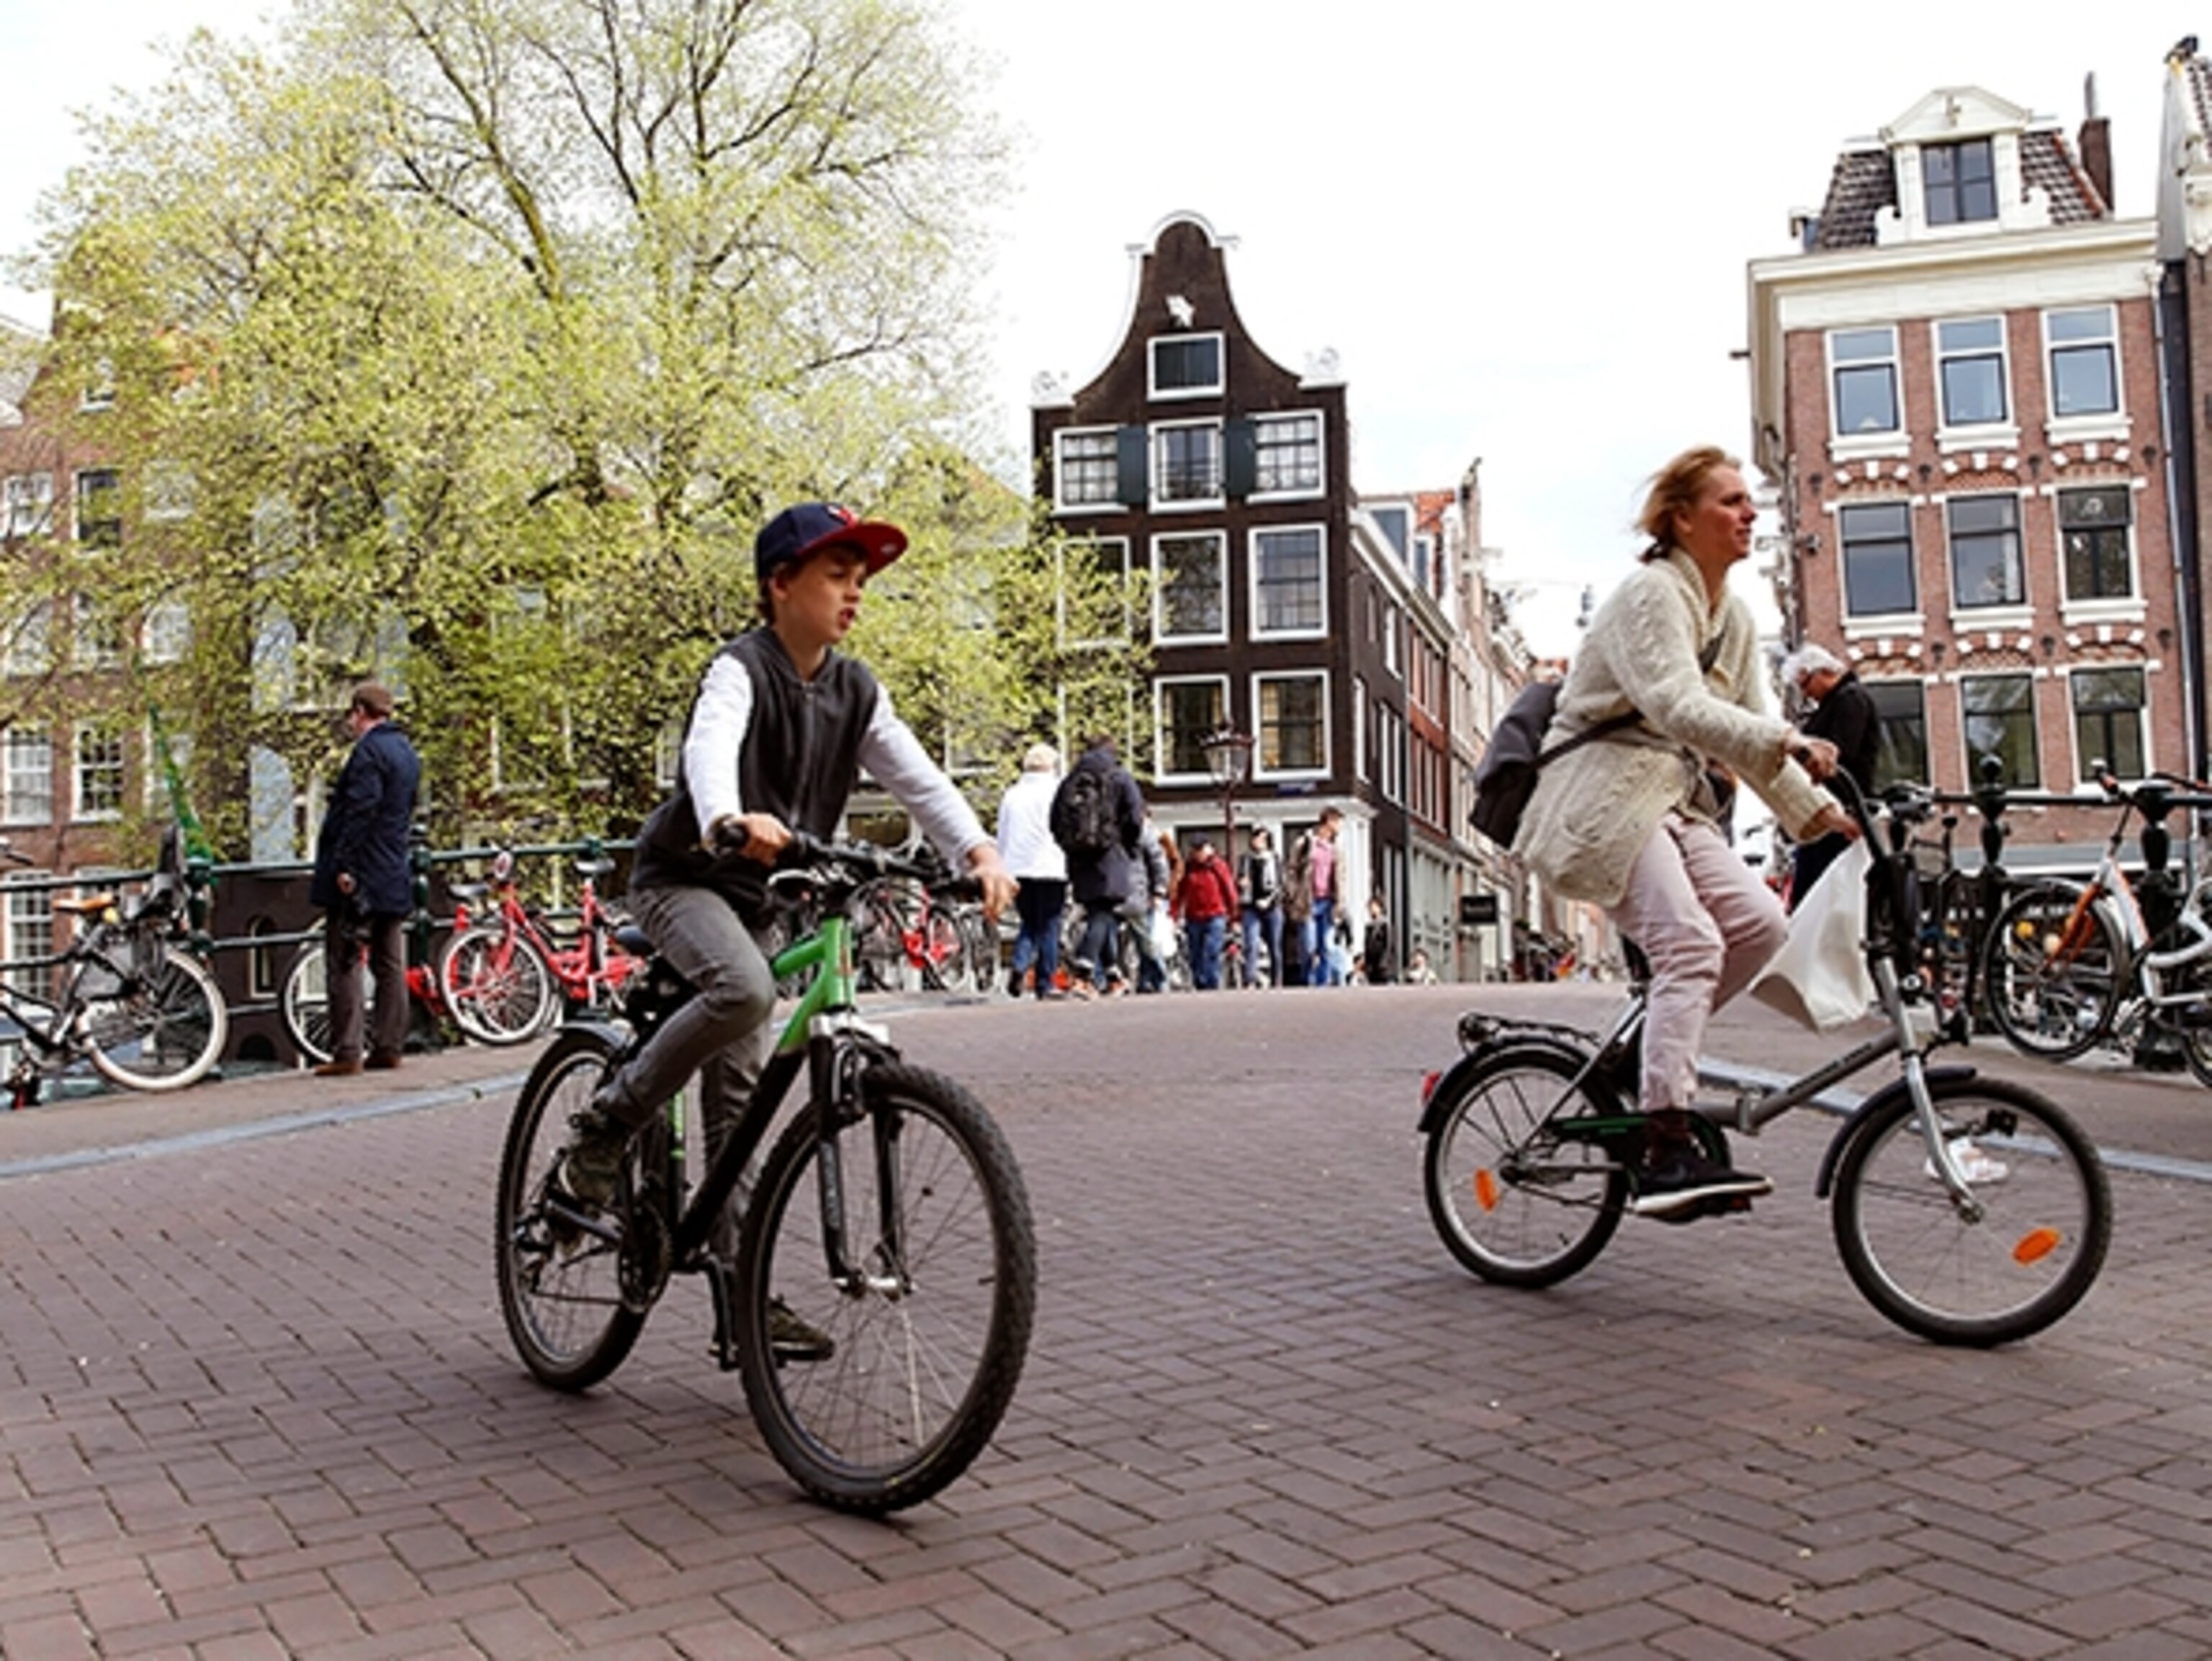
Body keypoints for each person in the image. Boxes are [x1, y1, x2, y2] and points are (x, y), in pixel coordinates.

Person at [563, 504, 1015, 1354]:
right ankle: (609, 1120)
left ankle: (741, 1298)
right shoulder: (742, 667)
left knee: (738, 1097)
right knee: (744, 991)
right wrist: (729, 815)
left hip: (771, 901)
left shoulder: (856, 689)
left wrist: (981, 850)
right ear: (781, 586)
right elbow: (711, 746)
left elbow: (917, 778)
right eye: (837, 577)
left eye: (860, 580)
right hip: (687, 879)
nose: (855, 595)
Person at [1514, 446, 1855, 1220]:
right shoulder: (1649, 594)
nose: (1750, 513)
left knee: (1761, 925)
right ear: (1681, 518)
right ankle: (1664, 1139)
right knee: (1691, 944)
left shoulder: (1731, 615)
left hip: (1670, 798)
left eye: (1748, 501)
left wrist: (1820, 812)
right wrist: (1788, 742)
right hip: (1600, 798)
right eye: (1731, 501)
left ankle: (1642, 1059)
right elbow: (1674, 704)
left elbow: (1744, 737)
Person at [307, 682, 421, 1077]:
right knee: (391, 961)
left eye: (352, 715)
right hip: (393, 868)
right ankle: (389, 1046)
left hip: (363, 874)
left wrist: (345, 867)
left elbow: (361, 811)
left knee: (344, 960)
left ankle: (347, 1050)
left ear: (359, 711)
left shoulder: (368, 753)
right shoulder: (406, 752)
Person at [1780, 642, 1880, 909]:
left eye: (1806, 684)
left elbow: (1841, 752)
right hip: (1827, 809)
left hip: (1838, 809)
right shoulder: (1834, 703)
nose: (1806, 693)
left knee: (1817, 890)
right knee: (1816, 890)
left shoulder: (1849, 699)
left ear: (1823, 672)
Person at [1050, 733, 1146, 998]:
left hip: (1079, 857)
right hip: (1111, 854)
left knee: (1098, 913)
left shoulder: (1070, 782)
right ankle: (1083, 975)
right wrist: (1128, 847)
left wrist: (1071, 847)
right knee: (1102, 914)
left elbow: (1055, 821)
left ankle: (1114, 977)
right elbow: (1135, 818)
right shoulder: (1119, 777)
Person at [995, 742, 1069, 999]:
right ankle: (1044, 982)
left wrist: (1002, 866)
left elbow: (1002, 833)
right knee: (1050, 924)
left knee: (1029, 922)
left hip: (1018, 867)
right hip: (1051, 865)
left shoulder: (1012, 794)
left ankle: (1019, 964)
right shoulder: (1058, 791)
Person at [1287, 808, 1344, 986]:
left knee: (1325, 945)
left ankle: (1322, 983)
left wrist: (1341, 901)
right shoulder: (1304, 844)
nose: (1341, 827)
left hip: (1328, 902)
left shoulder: (1336, 849)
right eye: (1338, 822)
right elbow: (1291, 870)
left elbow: (1341, 877)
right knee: (1309, 945)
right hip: (1308, 901)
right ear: (1328, 822)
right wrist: (1294, 893)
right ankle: (1308, 980)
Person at [1174, 837, 1239, 989]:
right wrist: (1174, 914)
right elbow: (1180, 892)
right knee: (1195, 953)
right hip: (1193, 917)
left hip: (1215, 915)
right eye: (1195, 850)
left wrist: (1234, 916)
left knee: (1212, 950)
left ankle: (1212, 984)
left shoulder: (1218, 866)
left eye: (1201, 849)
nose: (1198, 854)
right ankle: (1200, 983)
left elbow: (1229, 890)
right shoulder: (1189, 868)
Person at [1126, 814, 1175, 994]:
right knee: (1141, 940)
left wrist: (1160, 891)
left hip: (1141, 894)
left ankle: (1159, 978)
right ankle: (1146, 980)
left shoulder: (1148, 831)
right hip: (1128, 892)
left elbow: (1162, 863)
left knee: (1146, 940)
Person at [1239, 827, 1284, 987]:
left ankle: (1277, 980)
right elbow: (1240, 879)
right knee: (1251, 943)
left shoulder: (1275, 859)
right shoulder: (1246, 859)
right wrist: (1241, 884)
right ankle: (1250, 979)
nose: (1258, 842)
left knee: (1275, 945)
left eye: (1263, 839)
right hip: (1251, 906)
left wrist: (1269, 901)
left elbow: (1280, 884)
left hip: (1272, 906)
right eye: (1256, 838)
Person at [1362, 893, 1395, 985]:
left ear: (1380, 908)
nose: (1371, 910)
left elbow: (1389, 945)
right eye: (1369, 907)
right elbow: (1367, 947)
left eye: (1373, 906)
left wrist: (1384, 962)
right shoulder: (1369, 926)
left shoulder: (1385, 925)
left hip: (1383, 967)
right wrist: (1367, 964)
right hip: (1372, 967)